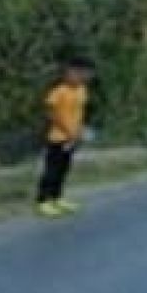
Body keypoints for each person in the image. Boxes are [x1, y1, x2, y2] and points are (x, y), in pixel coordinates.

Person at [36, 58, 93, 218]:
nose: (76, 77)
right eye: (72, 73)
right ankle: (43, 200)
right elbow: (51, 113)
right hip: (58, 137)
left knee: (64, 169)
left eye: (80, 74)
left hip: (73, 138)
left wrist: (79, 131)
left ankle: (57, 197)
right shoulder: (59, 91)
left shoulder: (82, 90)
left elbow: (81, 112)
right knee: (51, 170)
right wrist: (67, 131)